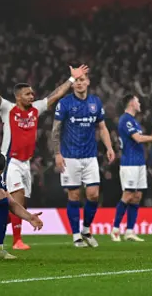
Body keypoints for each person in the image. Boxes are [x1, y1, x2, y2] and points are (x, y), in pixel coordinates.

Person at [0, 59, 87, 250]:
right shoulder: (7, 109)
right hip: (10, 162)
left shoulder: (35, 110)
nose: (32, 96)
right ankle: (17, 241)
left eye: (32, 93)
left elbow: (55, 95)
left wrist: (72, 78)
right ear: (18, 97)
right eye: (28, 94)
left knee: (18, 205)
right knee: (19, 199)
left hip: (26, 163)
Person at [52, 67, 115, 247]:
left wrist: (109, 147)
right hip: (70, 156)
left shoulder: (95, 102)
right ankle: (76, 235)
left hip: (90, 156)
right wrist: (57, 153)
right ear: (73, 84)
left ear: (88, 82)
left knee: (93, 195)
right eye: (76, 80)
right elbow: (56, 129)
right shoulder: (64, 103)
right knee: (74, 195)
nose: (80, 83)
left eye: (83, 80)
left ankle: (86, 229)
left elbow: (102, 128)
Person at [111, 94, 152, 242]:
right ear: (131, 103)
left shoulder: (134, 121)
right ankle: (115, 229)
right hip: (129, 163)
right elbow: (138, 139)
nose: (139, 103)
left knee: (137, 197)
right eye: (137, 101)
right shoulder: (125, 119)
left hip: (139, 163)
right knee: (128, 195)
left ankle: (129, 231)